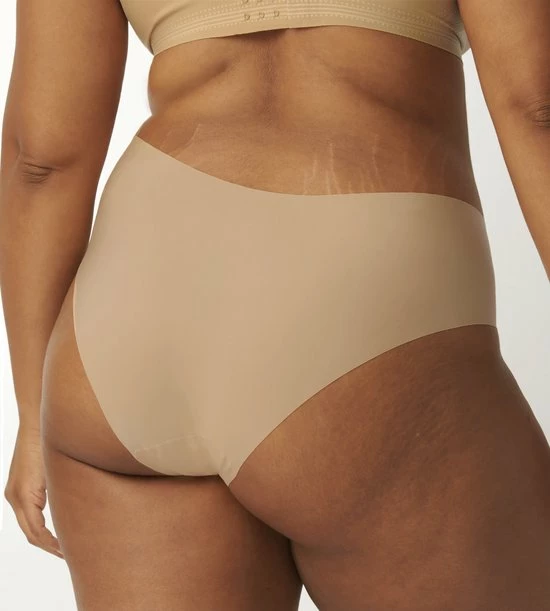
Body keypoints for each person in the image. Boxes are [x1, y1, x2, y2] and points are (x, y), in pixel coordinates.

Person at [1, 0, 549, 608]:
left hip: (130, 313)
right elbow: (537, 106)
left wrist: (33, 413)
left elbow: (40, 160)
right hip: (358, 298)